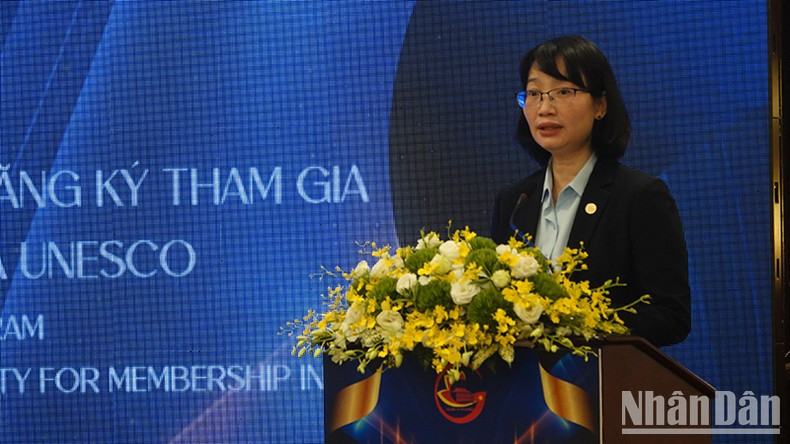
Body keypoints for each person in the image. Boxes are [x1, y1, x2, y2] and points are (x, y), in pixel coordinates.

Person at [491, 36, 690, 347]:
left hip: (604, 385)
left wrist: (577, 321)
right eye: (534, 93)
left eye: (563, 92)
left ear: (600, 105)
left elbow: (670, 316)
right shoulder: (515, 201)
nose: (545, 108)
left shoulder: (640, 196)